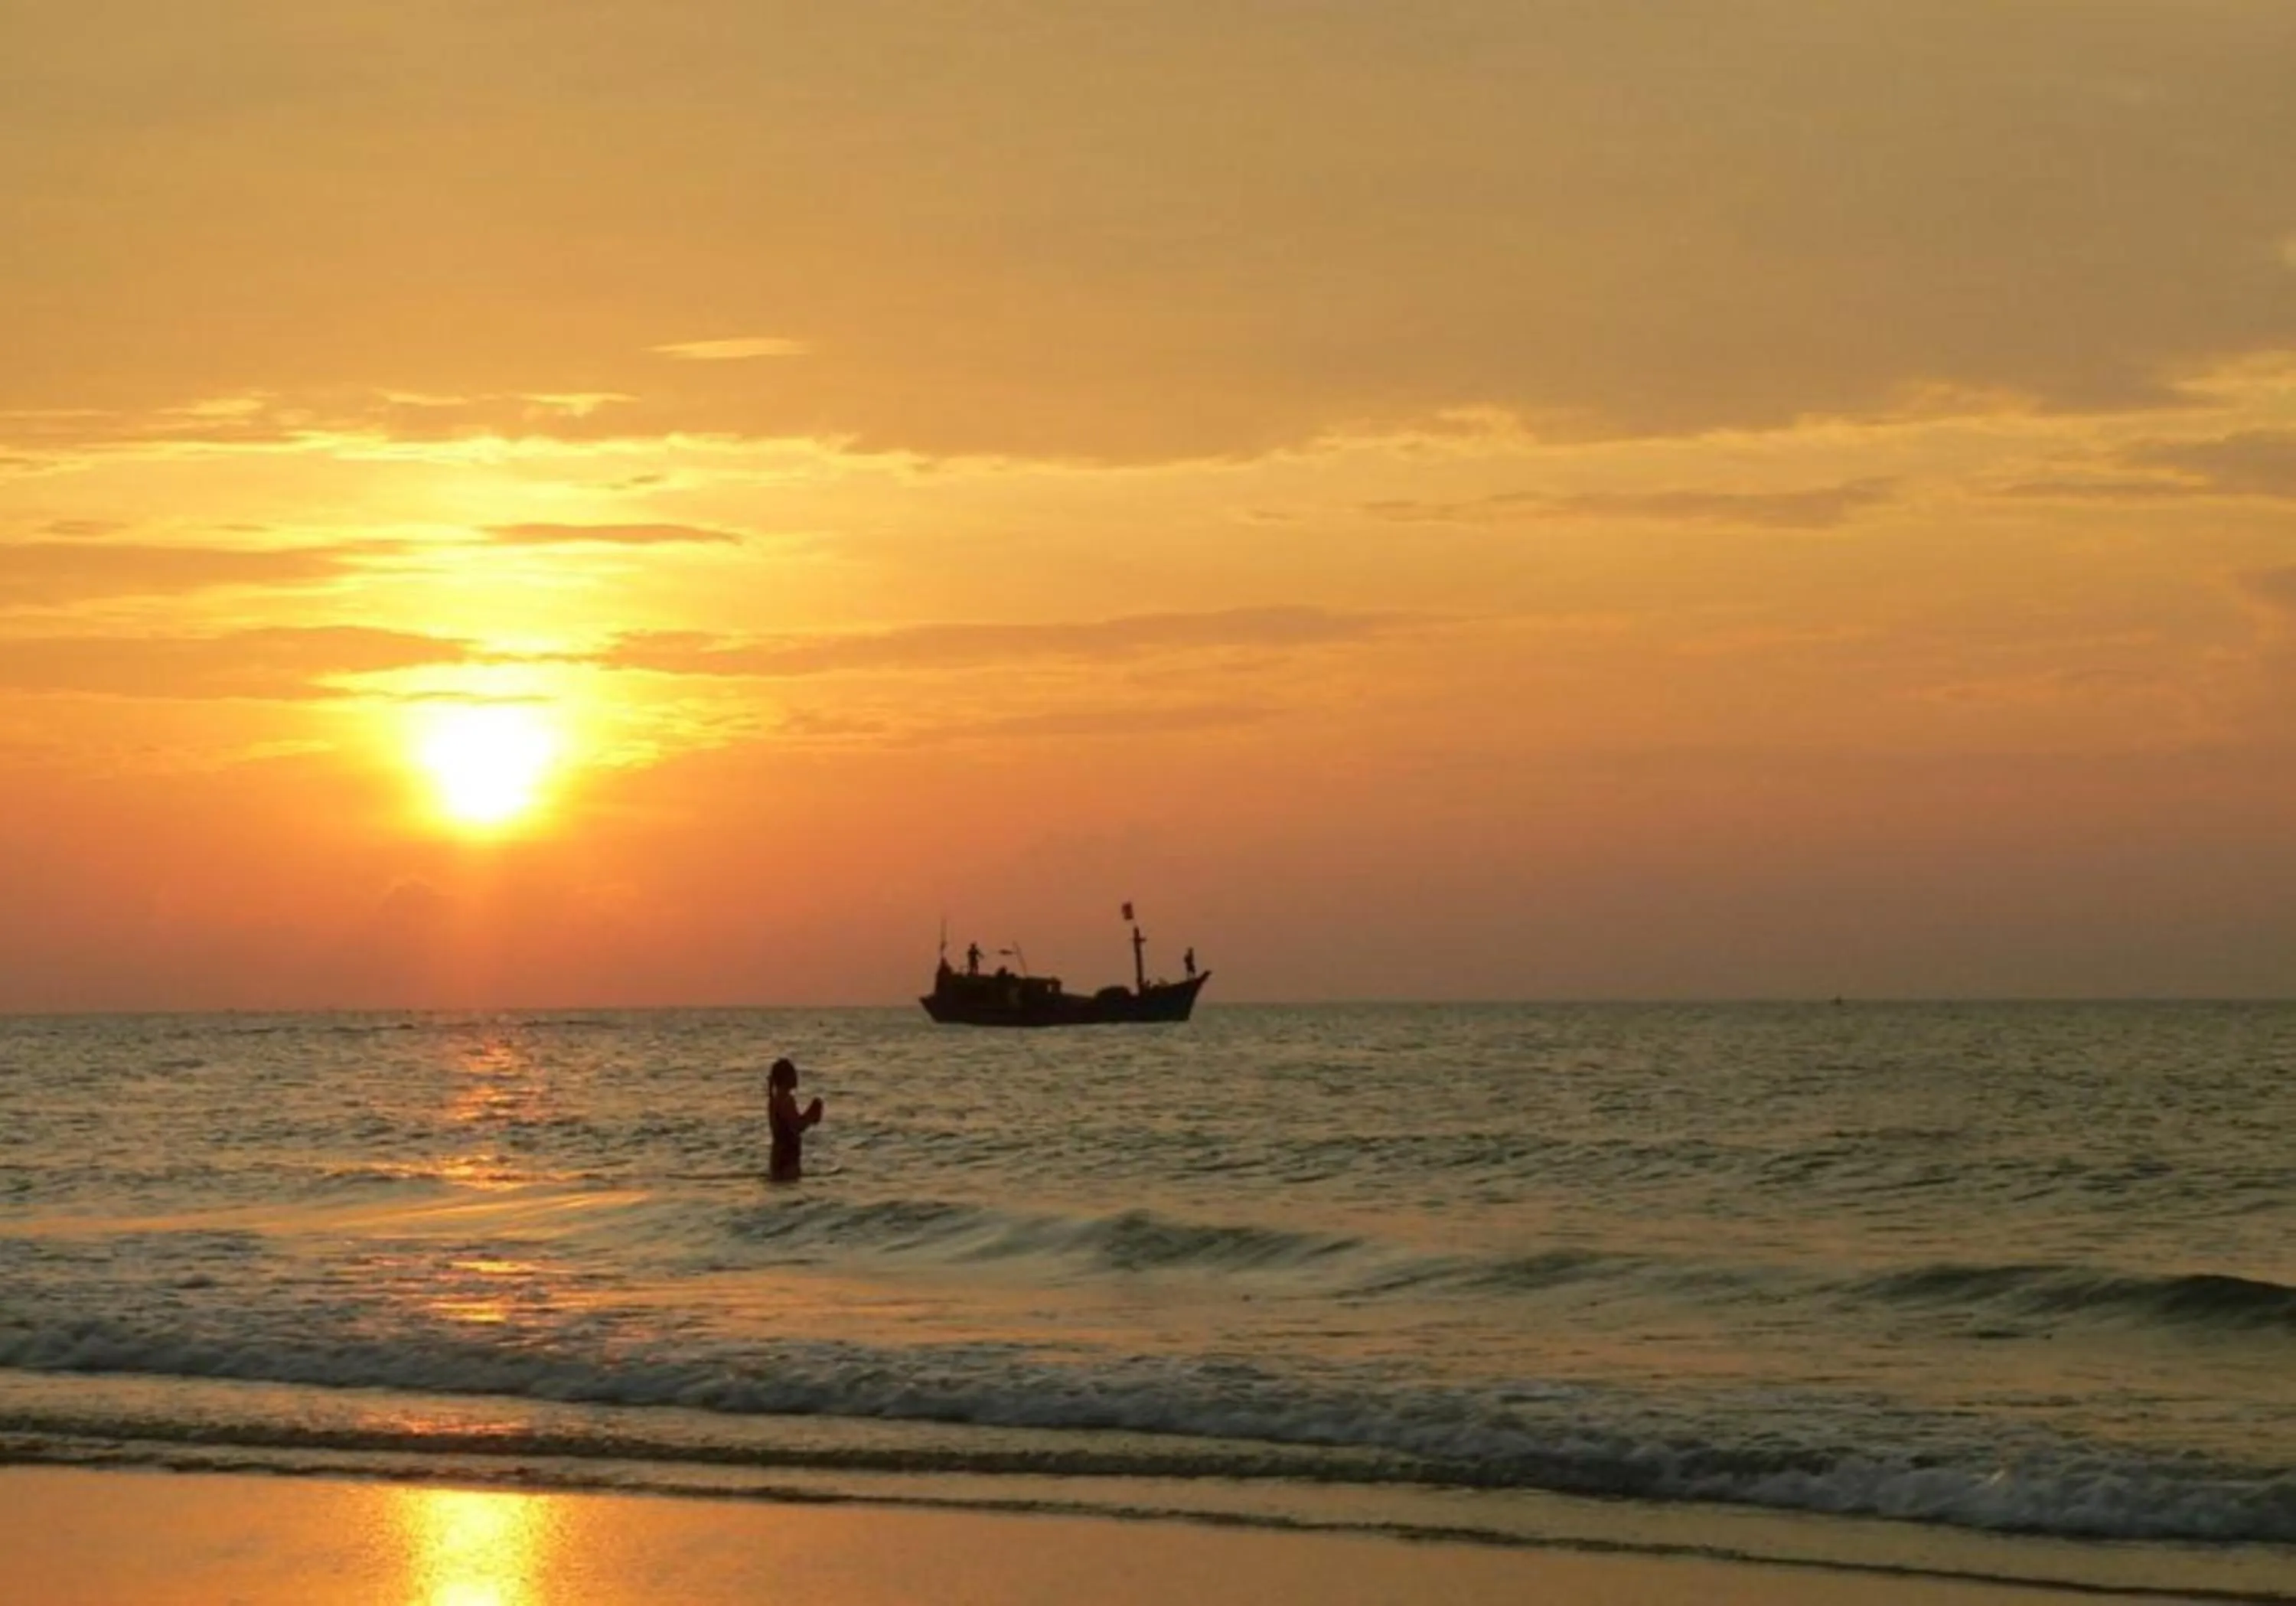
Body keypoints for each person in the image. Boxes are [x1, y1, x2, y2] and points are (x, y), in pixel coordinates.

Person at [766, 1057, 824, 1182]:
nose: (796, 1077)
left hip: (778, 1157)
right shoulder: (786, 1100)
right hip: (787, 1159)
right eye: (793, 1074)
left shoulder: (774, 1100)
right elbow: (797, 1126)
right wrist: (812, 1112)